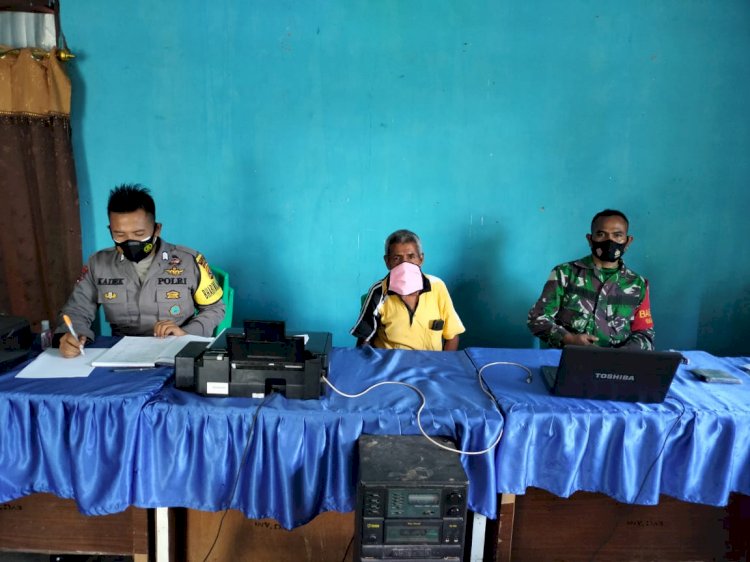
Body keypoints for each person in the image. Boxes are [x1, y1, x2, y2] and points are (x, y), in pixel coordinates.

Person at [56, 184, 225, 358]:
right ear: (110, 231)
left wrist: (187, 334)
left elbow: (215, 308)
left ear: (156, 229)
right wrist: (73, 335)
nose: (130, 242)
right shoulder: (98, 264)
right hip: (120, 357)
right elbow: (77, 310)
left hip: (177, 352)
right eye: (120, 235)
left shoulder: (189, 261)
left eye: (139, 234)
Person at [527, 209, 654, 350]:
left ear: (628, 241)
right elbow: (537, 319)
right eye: (601, 234)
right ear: (590, 239)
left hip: (617, 366)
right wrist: (569, 339)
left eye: (617, 235)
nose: (609, 241)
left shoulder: (638, 284)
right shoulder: (564, 273)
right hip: (567, 358)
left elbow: (645, 333)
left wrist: (623, 354)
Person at [350, 229, 465, 351]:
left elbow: (452, 336)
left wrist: (443, 366)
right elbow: (364, 341)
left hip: (430, 365)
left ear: (421, 259)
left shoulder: (437, 287)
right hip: (391, 365)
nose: (405, 264)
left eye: (411, 257)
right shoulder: (379, 291)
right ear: (387, 262)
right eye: (396, 258)